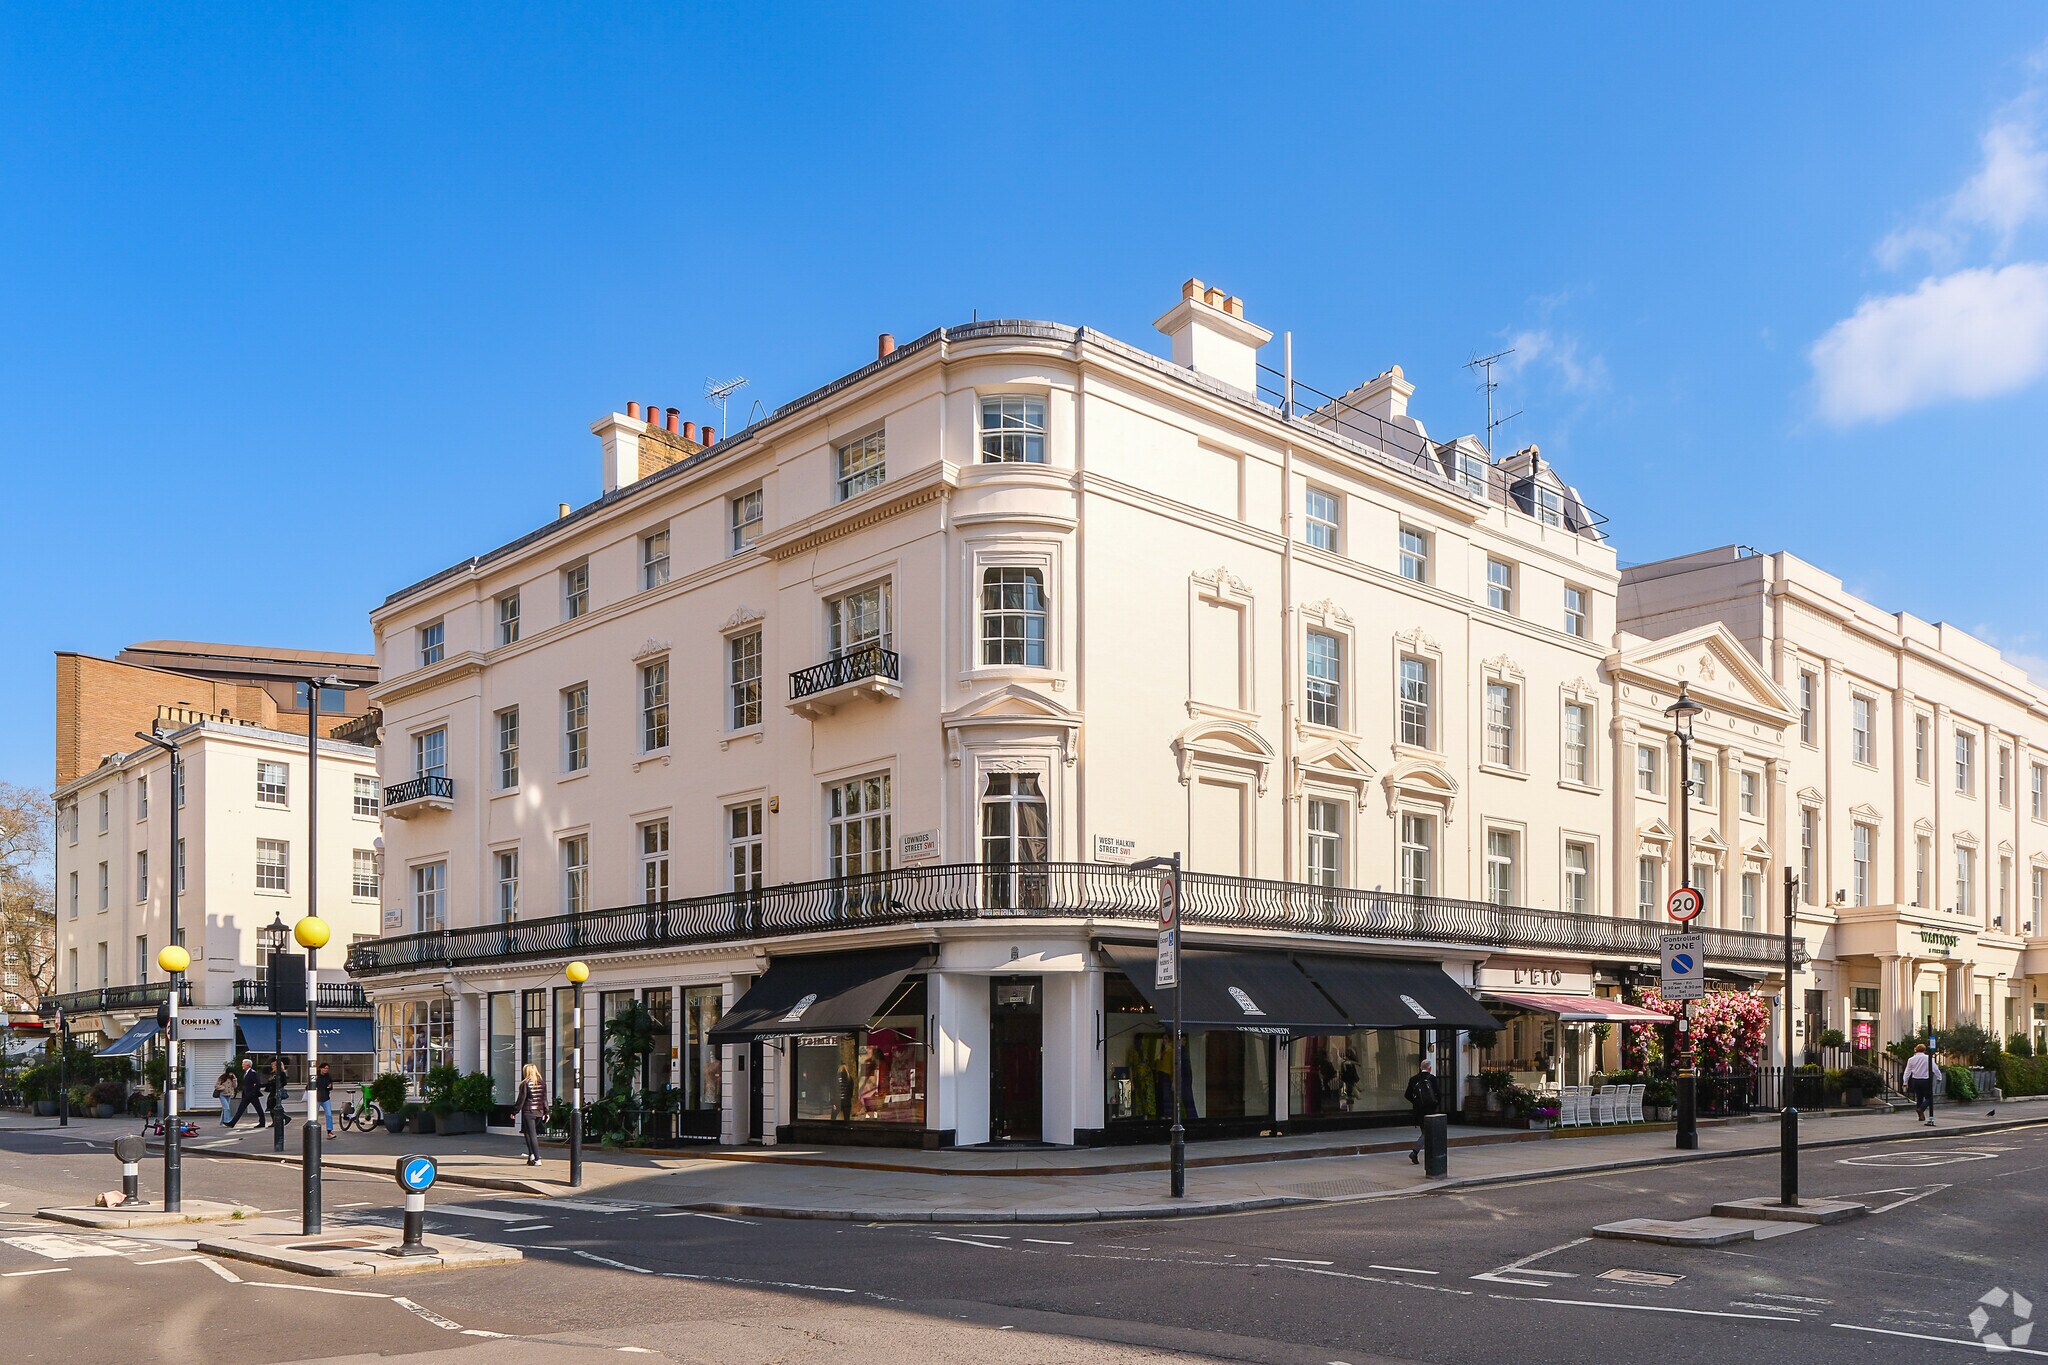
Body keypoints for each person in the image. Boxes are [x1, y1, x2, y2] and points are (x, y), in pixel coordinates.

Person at [1404, 1056, 1442, 1165]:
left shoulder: (1413, 1079)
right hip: (1430, 1110)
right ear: (1429, 1068)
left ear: (1421, 1068)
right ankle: (1415, 1152)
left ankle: (1427, 1154)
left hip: (1418, 1110)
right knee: (1427, 1133)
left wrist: (1416, 1102)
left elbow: (1407, 1095)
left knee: (1425, 1132)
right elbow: (1438, 1095)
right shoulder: (1432, 1078)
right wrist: (1435, 1105)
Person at [513, 1063, 546, 1166]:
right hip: (539, 1111)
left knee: (532, 1135)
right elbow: (544, 1099)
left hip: (528, 1111)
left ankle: (537, 1158)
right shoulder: (542, 1083)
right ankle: (531, 1155)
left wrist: (515, 1111)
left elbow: (521, 1099)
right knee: (527, 1132)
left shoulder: (525, 1083)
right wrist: (547, 1111)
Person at [225, 1057, 264, 1127]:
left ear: (248, 1065)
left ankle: (262, 1122)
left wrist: (253, 1092)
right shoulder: (246, 1073)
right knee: (240, 1110)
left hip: (252, 1095)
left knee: (258, 1109)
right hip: (246, 1095)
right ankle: (232, 1123)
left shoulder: (252, 1073)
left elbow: (258, 1083)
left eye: (243, 1064)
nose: (242, 1065)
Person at [1904, 1042, 1936, 1126]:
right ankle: (1921, 1109)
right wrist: (1939, 1077)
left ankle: (1920, 1116)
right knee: (1930, 1097)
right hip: (1925, 1080)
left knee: (1919, 1097)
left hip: (1915, 1080)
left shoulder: (1911, 1059)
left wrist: (1905, 1082)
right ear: (1924, 1050)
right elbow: (1934, 1068)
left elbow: (1907, 1071)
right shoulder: (1928, 1058)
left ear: (1916, 1050)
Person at [314, 1062, 335, 1138]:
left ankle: (330, 1131)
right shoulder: (316, 1076)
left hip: (326, 1097)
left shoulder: (328, 1076)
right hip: (316, 1098)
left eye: (327, 1068)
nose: (326, 1070)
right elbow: (309, 1086)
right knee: (314, 1115)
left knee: (329, 1114)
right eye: (325, 1068)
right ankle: (314, 1130)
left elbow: (331, 1087)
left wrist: (330, 1086)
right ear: (321, 1068)